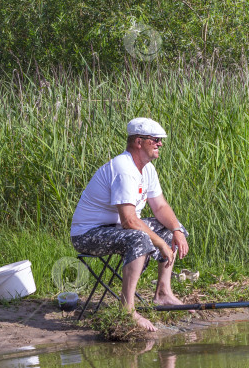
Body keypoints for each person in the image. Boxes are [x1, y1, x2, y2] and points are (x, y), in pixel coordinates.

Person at [71, 117, 190, 332]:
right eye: (155, 140)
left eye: (159, 140)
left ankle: (163, 293)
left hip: (115, 229)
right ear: (138, 142)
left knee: (172, 228)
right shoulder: (124, 168)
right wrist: (161, 245)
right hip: (88, 234)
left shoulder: (148, 170)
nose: (160, 144)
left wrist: (177, 230)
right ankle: (127, 309)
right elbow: (129, 220)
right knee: (139, 237)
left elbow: (161, 208)